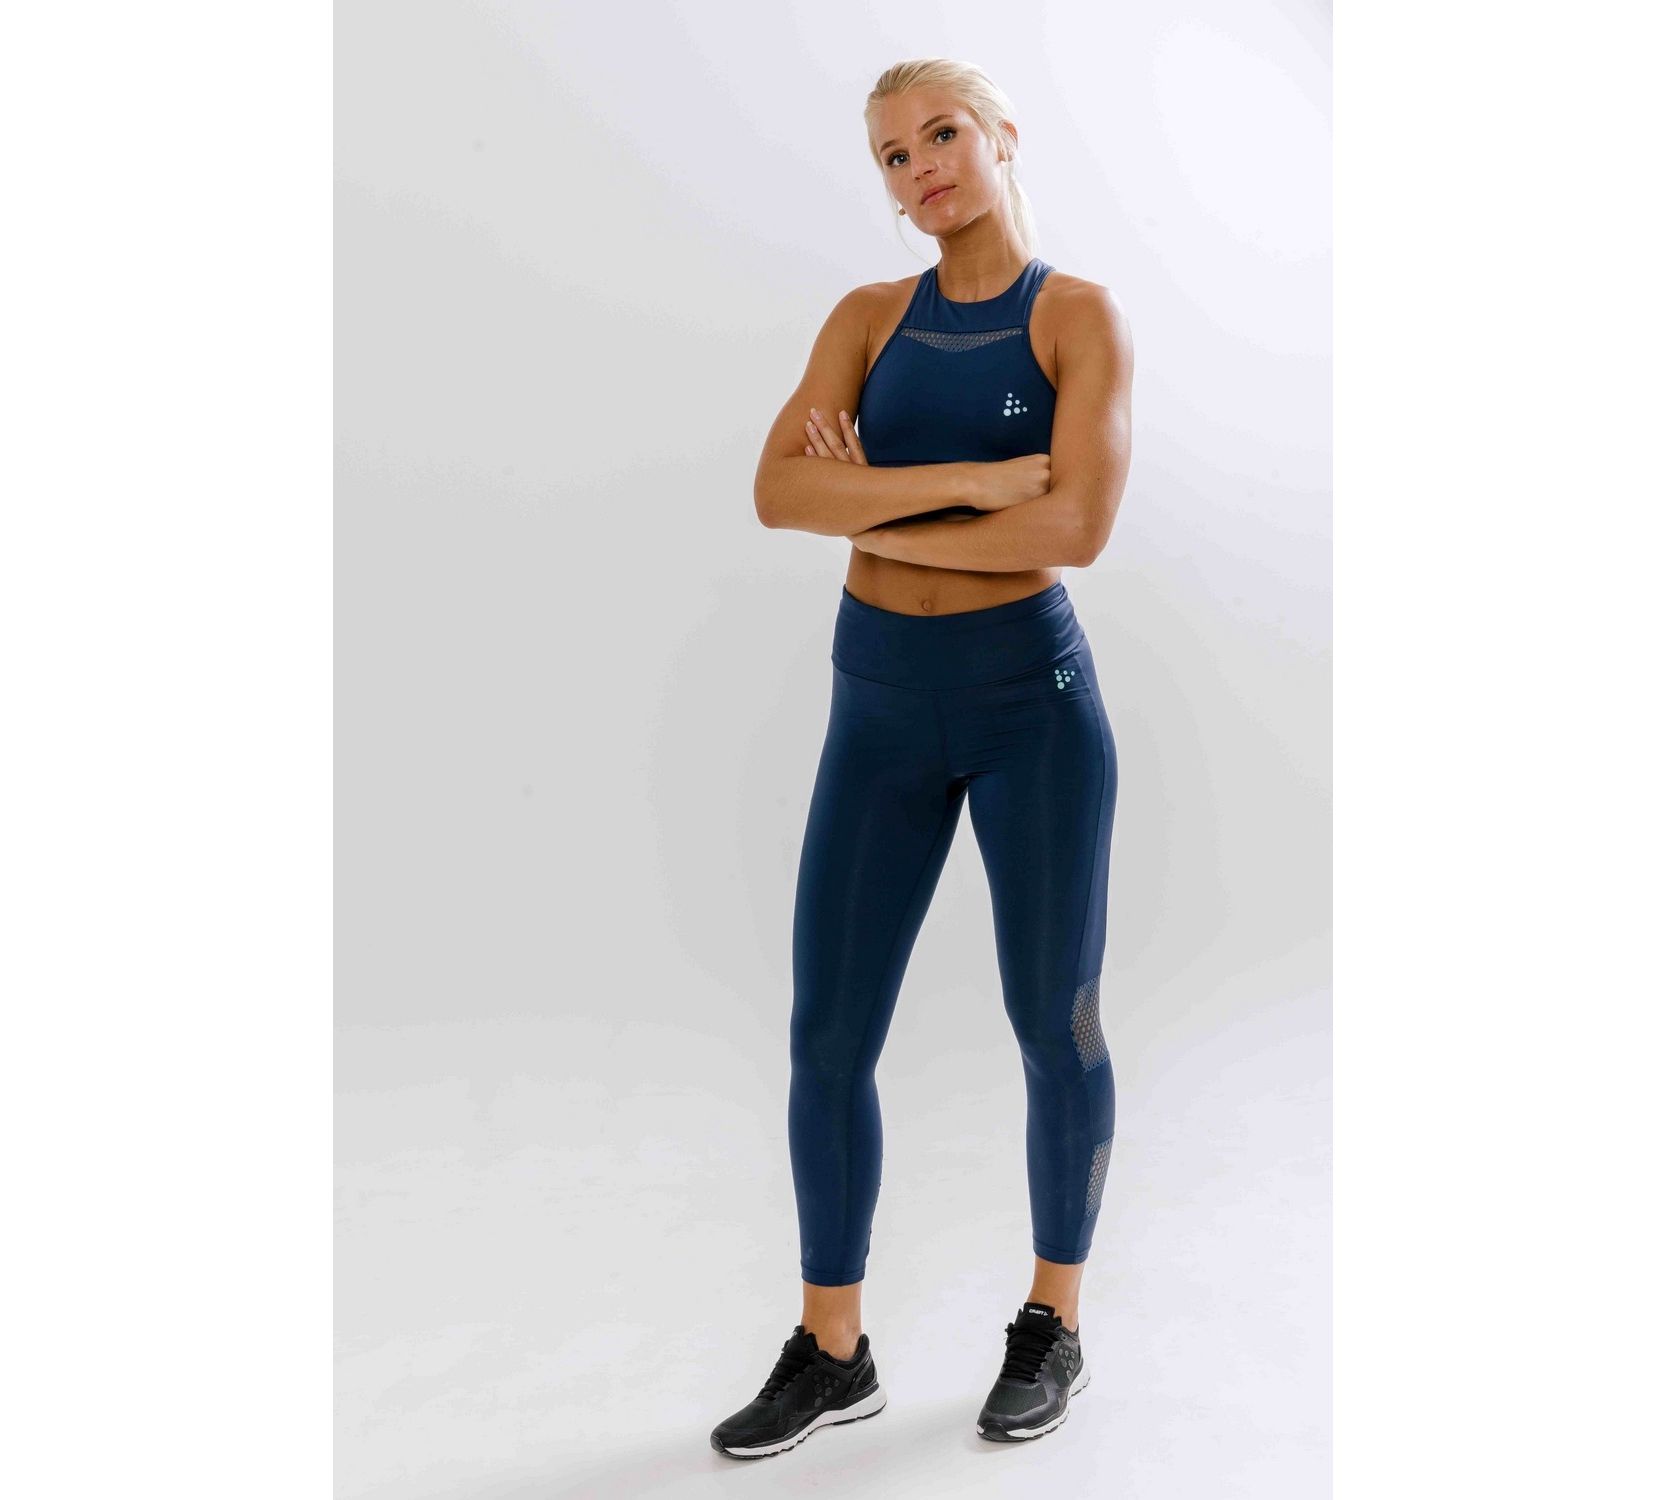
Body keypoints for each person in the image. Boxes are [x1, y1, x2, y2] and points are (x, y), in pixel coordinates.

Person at [710, 57, 1134, 1458]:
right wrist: (963, 483)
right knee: (827, 1037)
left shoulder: (1076, 318)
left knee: (1055, 1020)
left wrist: (866, 502)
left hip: (1030, 708)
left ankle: (1053, 1321)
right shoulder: (865, 319)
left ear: (1002, 136)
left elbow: (1074, 529)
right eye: (894, 157)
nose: (922, 169)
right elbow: (779, 490)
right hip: (879, 707)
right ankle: (834, 1351)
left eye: (942, 135)